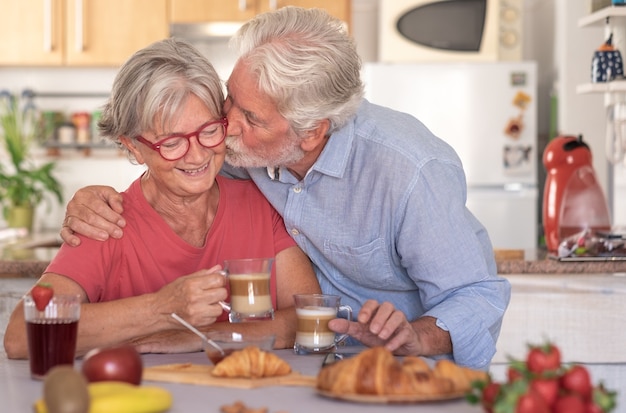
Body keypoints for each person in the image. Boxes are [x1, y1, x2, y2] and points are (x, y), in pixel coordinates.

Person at [59, 7, 510, 369]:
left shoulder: (408, 172)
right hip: (313, 366)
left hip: (408, 368)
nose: (226, 126)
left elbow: (477, 293)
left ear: (310, 133)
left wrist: (418, 336)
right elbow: (175, 160)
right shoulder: (244, 153)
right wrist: (89, 199)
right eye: (230, 98)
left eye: (251, 118)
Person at [3, 37, 320, 359]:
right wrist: (161, 309)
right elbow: (21, 336)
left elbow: (306, 317)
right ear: (133, 147)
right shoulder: (106, 221)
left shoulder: (260, 203)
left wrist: (203, 336)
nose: (197, 155)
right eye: (171, 143)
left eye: (209, 131)